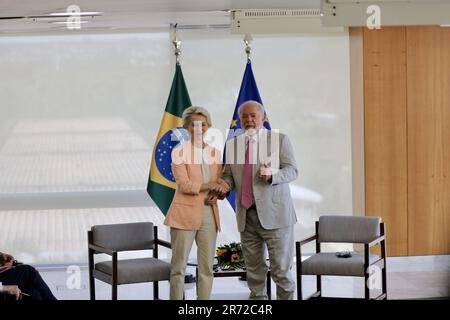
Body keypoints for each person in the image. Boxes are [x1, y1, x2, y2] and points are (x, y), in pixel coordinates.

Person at [215, 100, 298, 300]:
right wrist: (224, 186)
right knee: (254, 273)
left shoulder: (280, 140)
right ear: (239, 120)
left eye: (253, 116)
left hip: (276, 217)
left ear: (264, 118)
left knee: (281, 271)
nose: (249, 120)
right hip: (246, 217)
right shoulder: (232, 145)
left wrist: (273, 175)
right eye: (245, 116)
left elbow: (292, 170)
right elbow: (229, 175)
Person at [164, 106, 228, 300]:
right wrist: (210, 185)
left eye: (203, 124)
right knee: (178, 267)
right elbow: (184, 185)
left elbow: (219, 184)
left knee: (207, 267)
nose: (199, 128)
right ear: (186, 127)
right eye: (194, 124)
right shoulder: (179, 152)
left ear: (208, 127)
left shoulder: (215, 153)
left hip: (209, 212)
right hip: (183, 215)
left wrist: (218, 193)